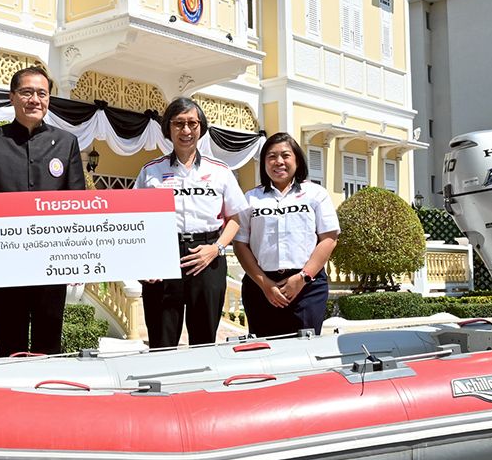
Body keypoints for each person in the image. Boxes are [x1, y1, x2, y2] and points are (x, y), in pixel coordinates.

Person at [0, 66, 85, 357]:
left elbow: (77, 204)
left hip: (52, 262)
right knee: (9, 344)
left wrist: (77, 258)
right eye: (27, 92)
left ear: (48, 99)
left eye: (42, 94)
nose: (35, 99)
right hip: (7, 261)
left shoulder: (67, 143)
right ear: (12, 97)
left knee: (49, 344)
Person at [133, 97, 247, 348]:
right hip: (163, 256)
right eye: (178, 123)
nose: (186, 130)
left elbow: (235, 219)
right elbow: (134, 220)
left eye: (192, 124)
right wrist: (143, 262)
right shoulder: (150, 171)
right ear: (168, 128)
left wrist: (217, 248)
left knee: (204, 341)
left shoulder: (220, 171)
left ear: (201, 128)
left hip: (207, 256)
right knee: (161, 342)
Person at [233, 132, 339, 337]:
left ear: (297, 160)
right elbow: (240, 244)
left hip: (307, 286)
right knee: (265, 349)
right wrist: (265, 284)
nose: (279, 161)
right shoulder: (251, 198)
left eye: (285, 155)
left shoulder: (316, 194)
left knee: (305, 348)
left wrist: (302, 278)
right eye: (271, 156)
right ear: (264, 163)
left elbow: (329, 239)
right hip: (261, 286)